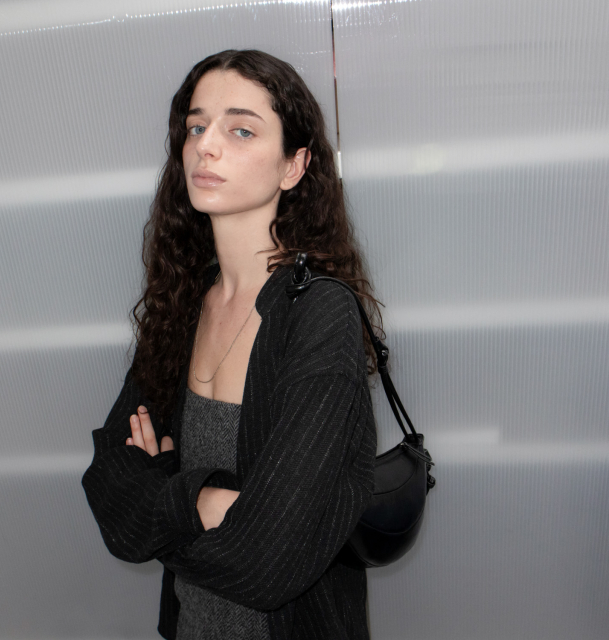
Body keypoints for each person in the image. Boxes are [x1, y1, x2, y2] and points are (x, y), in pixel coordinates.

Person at [82, 49, 385, 640]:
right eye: (196, 127)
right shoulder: (182, 304)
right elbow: (110, 495)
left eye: (241, 130)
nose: (206, 147)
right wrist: (205, 504)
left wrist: (161, 505)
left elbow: (269, 561)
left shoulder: (320, 313)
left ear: (293, 166)